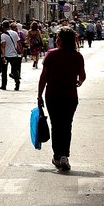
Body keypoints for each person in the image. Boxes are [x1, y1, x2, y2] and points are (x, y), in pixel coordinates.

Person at [36, 27, 86, 172]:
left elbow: (43, 77)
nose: (56, 40)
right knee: (67, 125)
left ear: (62, 40)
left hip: (53, 96)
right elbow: (82, 76)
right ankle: (64, 155)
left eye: (58, 37)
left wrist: (39, 95)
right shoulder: (77, 56)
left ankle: (57, 156)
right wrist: (79, 82)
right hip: (70, 96)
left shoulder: (51, 55)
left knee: (56, 125)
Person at [0, 20, 23, 91]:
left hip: (6, 55)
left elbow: (3, 46)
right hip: (14, 55)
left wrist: (3, 56)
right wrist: (21, 52)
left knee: (4, 71)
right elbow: (19, 43)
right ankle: (17, 82)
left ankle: (4, 85)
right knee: (15, 70)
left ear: (3, 26)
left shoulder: (3, 35)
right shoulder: (15, 33)